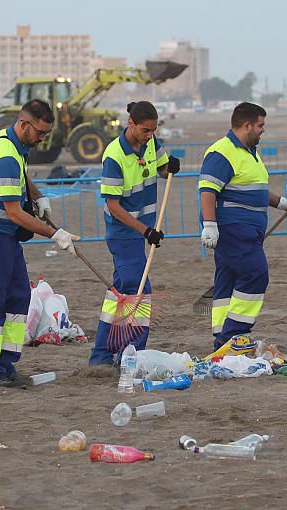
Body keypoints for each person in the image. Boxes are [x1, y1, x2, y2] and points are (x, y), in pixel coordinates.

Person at [0, 99, 79, 389]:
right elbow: (14, 211)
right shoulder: (5, 153)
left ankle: (5, 366)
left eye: (46, 134)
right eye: (40, 133)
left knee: (18, 298)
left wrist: (38, 196)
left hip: (6, 238)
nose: (43, 139)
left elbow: (21, 176)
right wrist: (55, 234)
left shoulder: (14, 145)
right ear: (24, 124)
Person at [198, 102, 287, 351]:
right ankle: (233, 336)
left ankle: (222, 336)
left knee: (227, 278)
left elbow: (256, 189)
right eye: (260, 125)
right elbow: (207, 191)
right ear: (247, 126)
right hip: (232, 228)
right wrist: (210, 225)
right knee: (256, 274)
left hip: (248, 231)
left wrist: (281, 203)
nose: (263, 130)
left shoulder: (250, 151)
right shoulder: (222, 152)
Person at [87, 101, 180, 366]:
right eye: (145, 130)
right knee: (141, 292)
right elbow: (113, 206)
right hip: (123, 233)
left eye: (153, 130)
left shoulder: (151, 143)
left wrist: (169, 168)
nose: (149, 135)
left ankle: (103, 356)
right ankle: (131, 353)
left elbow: (161, 169)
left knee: (121, 294)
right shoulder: (114, 156)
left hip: (143, 229)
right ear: (130, 123)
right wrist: (146, 231)